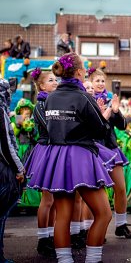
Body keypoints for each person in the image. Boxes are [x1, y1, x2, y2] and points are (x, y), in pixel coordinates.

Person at [27, 53, 114, 263]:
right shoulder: (84, 97)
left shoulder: (51, 98)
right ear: (78, 72)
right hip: (80, 157)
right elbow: (100, 131)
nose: (85, 71)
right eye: (83, 67)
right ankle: (92, 260)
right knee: (103, 213)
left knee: (62, 216)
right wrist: (103, 116)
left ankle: (64, 261)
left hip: (56, 158)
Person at [88, 67, 131, 239]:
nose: (100, 84)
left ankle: (121, 225)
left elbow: (123, 126)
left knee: (120, 188)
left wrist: (115, 110)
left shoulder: (110, 101)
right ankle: (91, 228)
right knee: (95, 190)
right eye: (97, 81)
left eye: (102, 80)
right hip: (94, 149)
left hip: (112, 148)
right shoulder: (87, 101)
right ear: (91, 83)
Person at [24, 67, 58, 257]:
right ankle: (42, 239)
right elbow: (51, 128)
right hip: (46, 151)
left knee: (53, 200)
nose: (55, 82)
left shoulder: (53, 102)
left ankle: (50, 236)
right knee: (47, 200)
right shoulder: (40, 106)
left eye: (56, 80)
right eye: (51, 80)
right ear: (41, 86)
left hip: (54, 150)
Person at [0, 78, 25, 263]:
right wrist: (19, 168)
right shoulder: (0, 111)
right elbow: (6, 146)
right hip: (2, 170)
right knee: (0, 216)